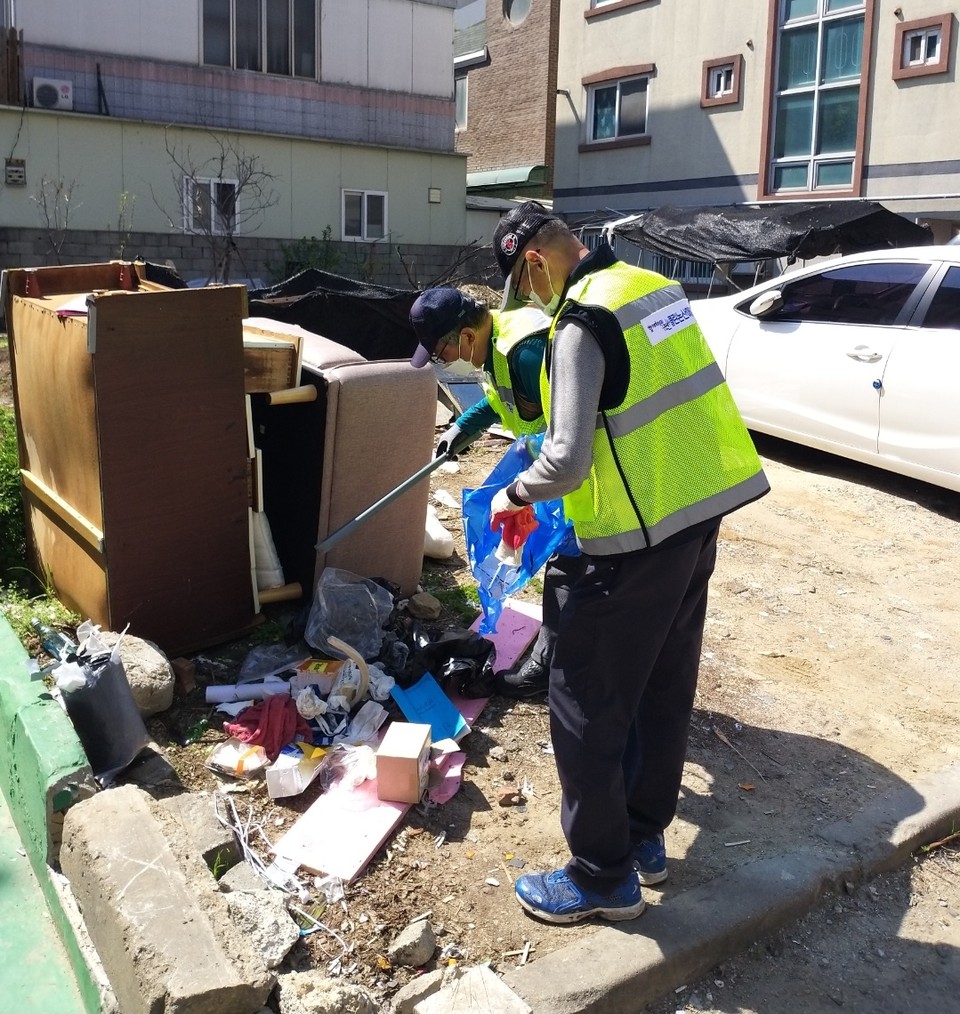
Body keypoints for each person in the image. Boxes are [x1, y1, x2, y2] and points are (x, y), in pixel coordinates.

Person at [487, 201, 770, 924]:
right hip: (695, 520)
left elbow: (567, 459)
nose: (533, 303)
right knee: (660, 687)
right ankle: (642, 839)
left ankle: (600, 877)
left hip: (629, 543)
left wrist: (511, 495)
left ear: (535, 263)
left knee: (583, 702)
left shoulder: (581, 321)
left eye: (528, 288)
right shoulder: (653, 289)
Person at [409, 286, 571, 698]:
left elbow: (567, 431)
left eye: (441, 349)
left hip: (571, 473)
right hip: (548, 465)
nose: (442, 359)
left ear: (464, 334)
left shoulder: (525, 351)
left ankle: (553, 670)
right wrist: (461, 428)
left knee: (572, 566)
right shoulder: (495, 347)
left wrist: (531, 490)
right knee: (562, 562)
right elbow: (498, 402)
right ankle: (559, 661)